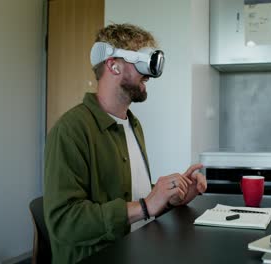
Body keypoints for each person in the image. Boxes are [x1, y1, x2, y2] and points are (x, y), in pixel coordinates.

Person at [43, 23, 207, 264]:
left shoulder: (132, 124)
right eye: (143, 62)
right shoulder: (70, 130)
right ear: (113, 64)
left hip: (136, 249)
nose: (150, 74)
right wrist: (146, 205)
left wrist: (173, 196)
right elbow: (64, 222)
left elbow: (130, 193)